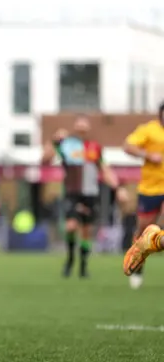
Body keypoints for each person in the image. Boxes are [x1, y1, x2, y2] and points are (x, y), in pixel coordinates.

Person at [41, 116, 127, 278]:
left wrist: (118, 188)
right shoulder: (67, 145)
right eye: (79, 123)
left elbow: (104, 169)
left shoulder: (94, 148)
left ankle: (83, 267)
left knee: (87, 231)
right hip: (72, 193)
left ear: (88, 128)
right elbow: (45, 159)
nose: (81, 126)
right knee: (71, 227)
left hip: (91, 194)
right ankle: (70, 260)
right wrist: (53, 140)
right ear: (75, 126)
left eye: (84, 123)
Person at [122, 103, 164, 282]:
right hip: (150, 188)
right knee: (143, 229)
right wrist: (148, 155)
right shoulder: (148, 130)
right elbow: (127, 146)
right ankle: (138, 263)